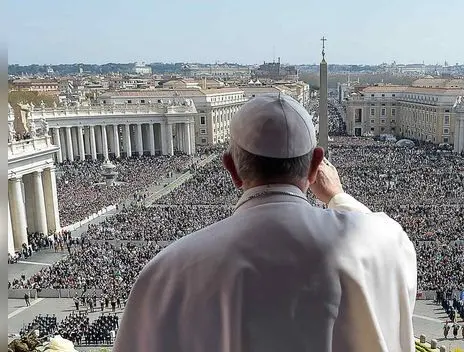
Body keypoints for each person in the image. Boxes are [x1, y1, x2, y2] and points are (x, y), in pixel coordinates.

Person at [113, 94, 418, 352]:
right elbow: (384, 235)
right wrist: (337, 196)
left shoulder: (167, 271)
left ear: (231, 168)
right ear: (315, 166)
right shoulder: (383, 243)